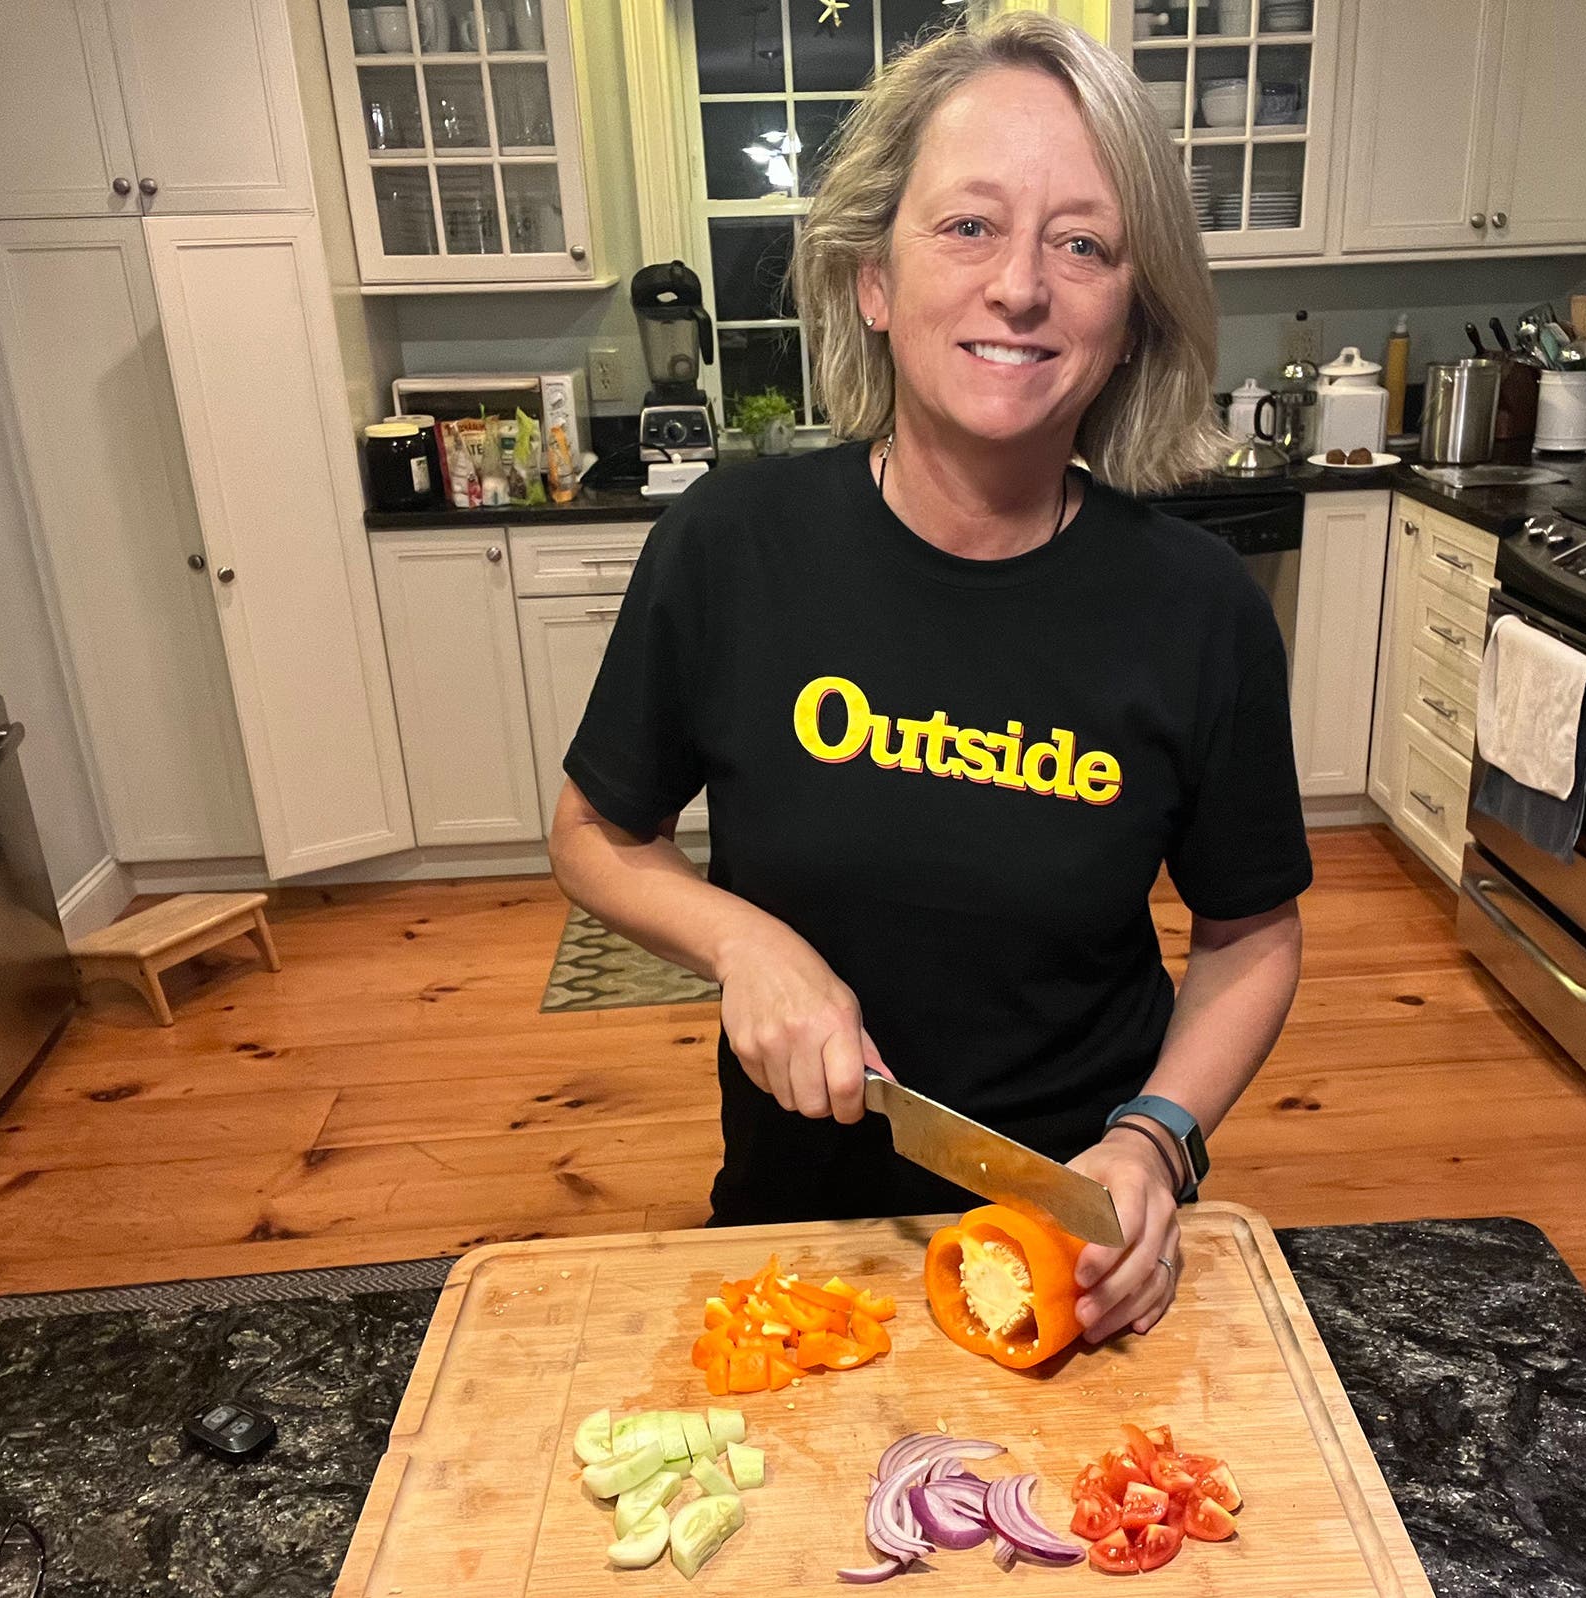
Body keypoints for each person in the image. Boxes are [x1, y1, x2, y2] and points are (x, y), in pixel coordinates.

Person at [548, 13, 1307, 1346]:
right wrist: (745, 944)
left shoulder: (1200, 609)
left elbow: (1251, 936)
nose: (1022, 285)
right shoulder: (732, 550)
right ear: (871, 278)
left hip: (1077, 1251)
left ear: (1129, 316)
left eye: (1082, 242)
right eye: (968, 226)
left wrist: (1159, 1140)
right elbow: (593, 837)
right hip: (803, 1236)